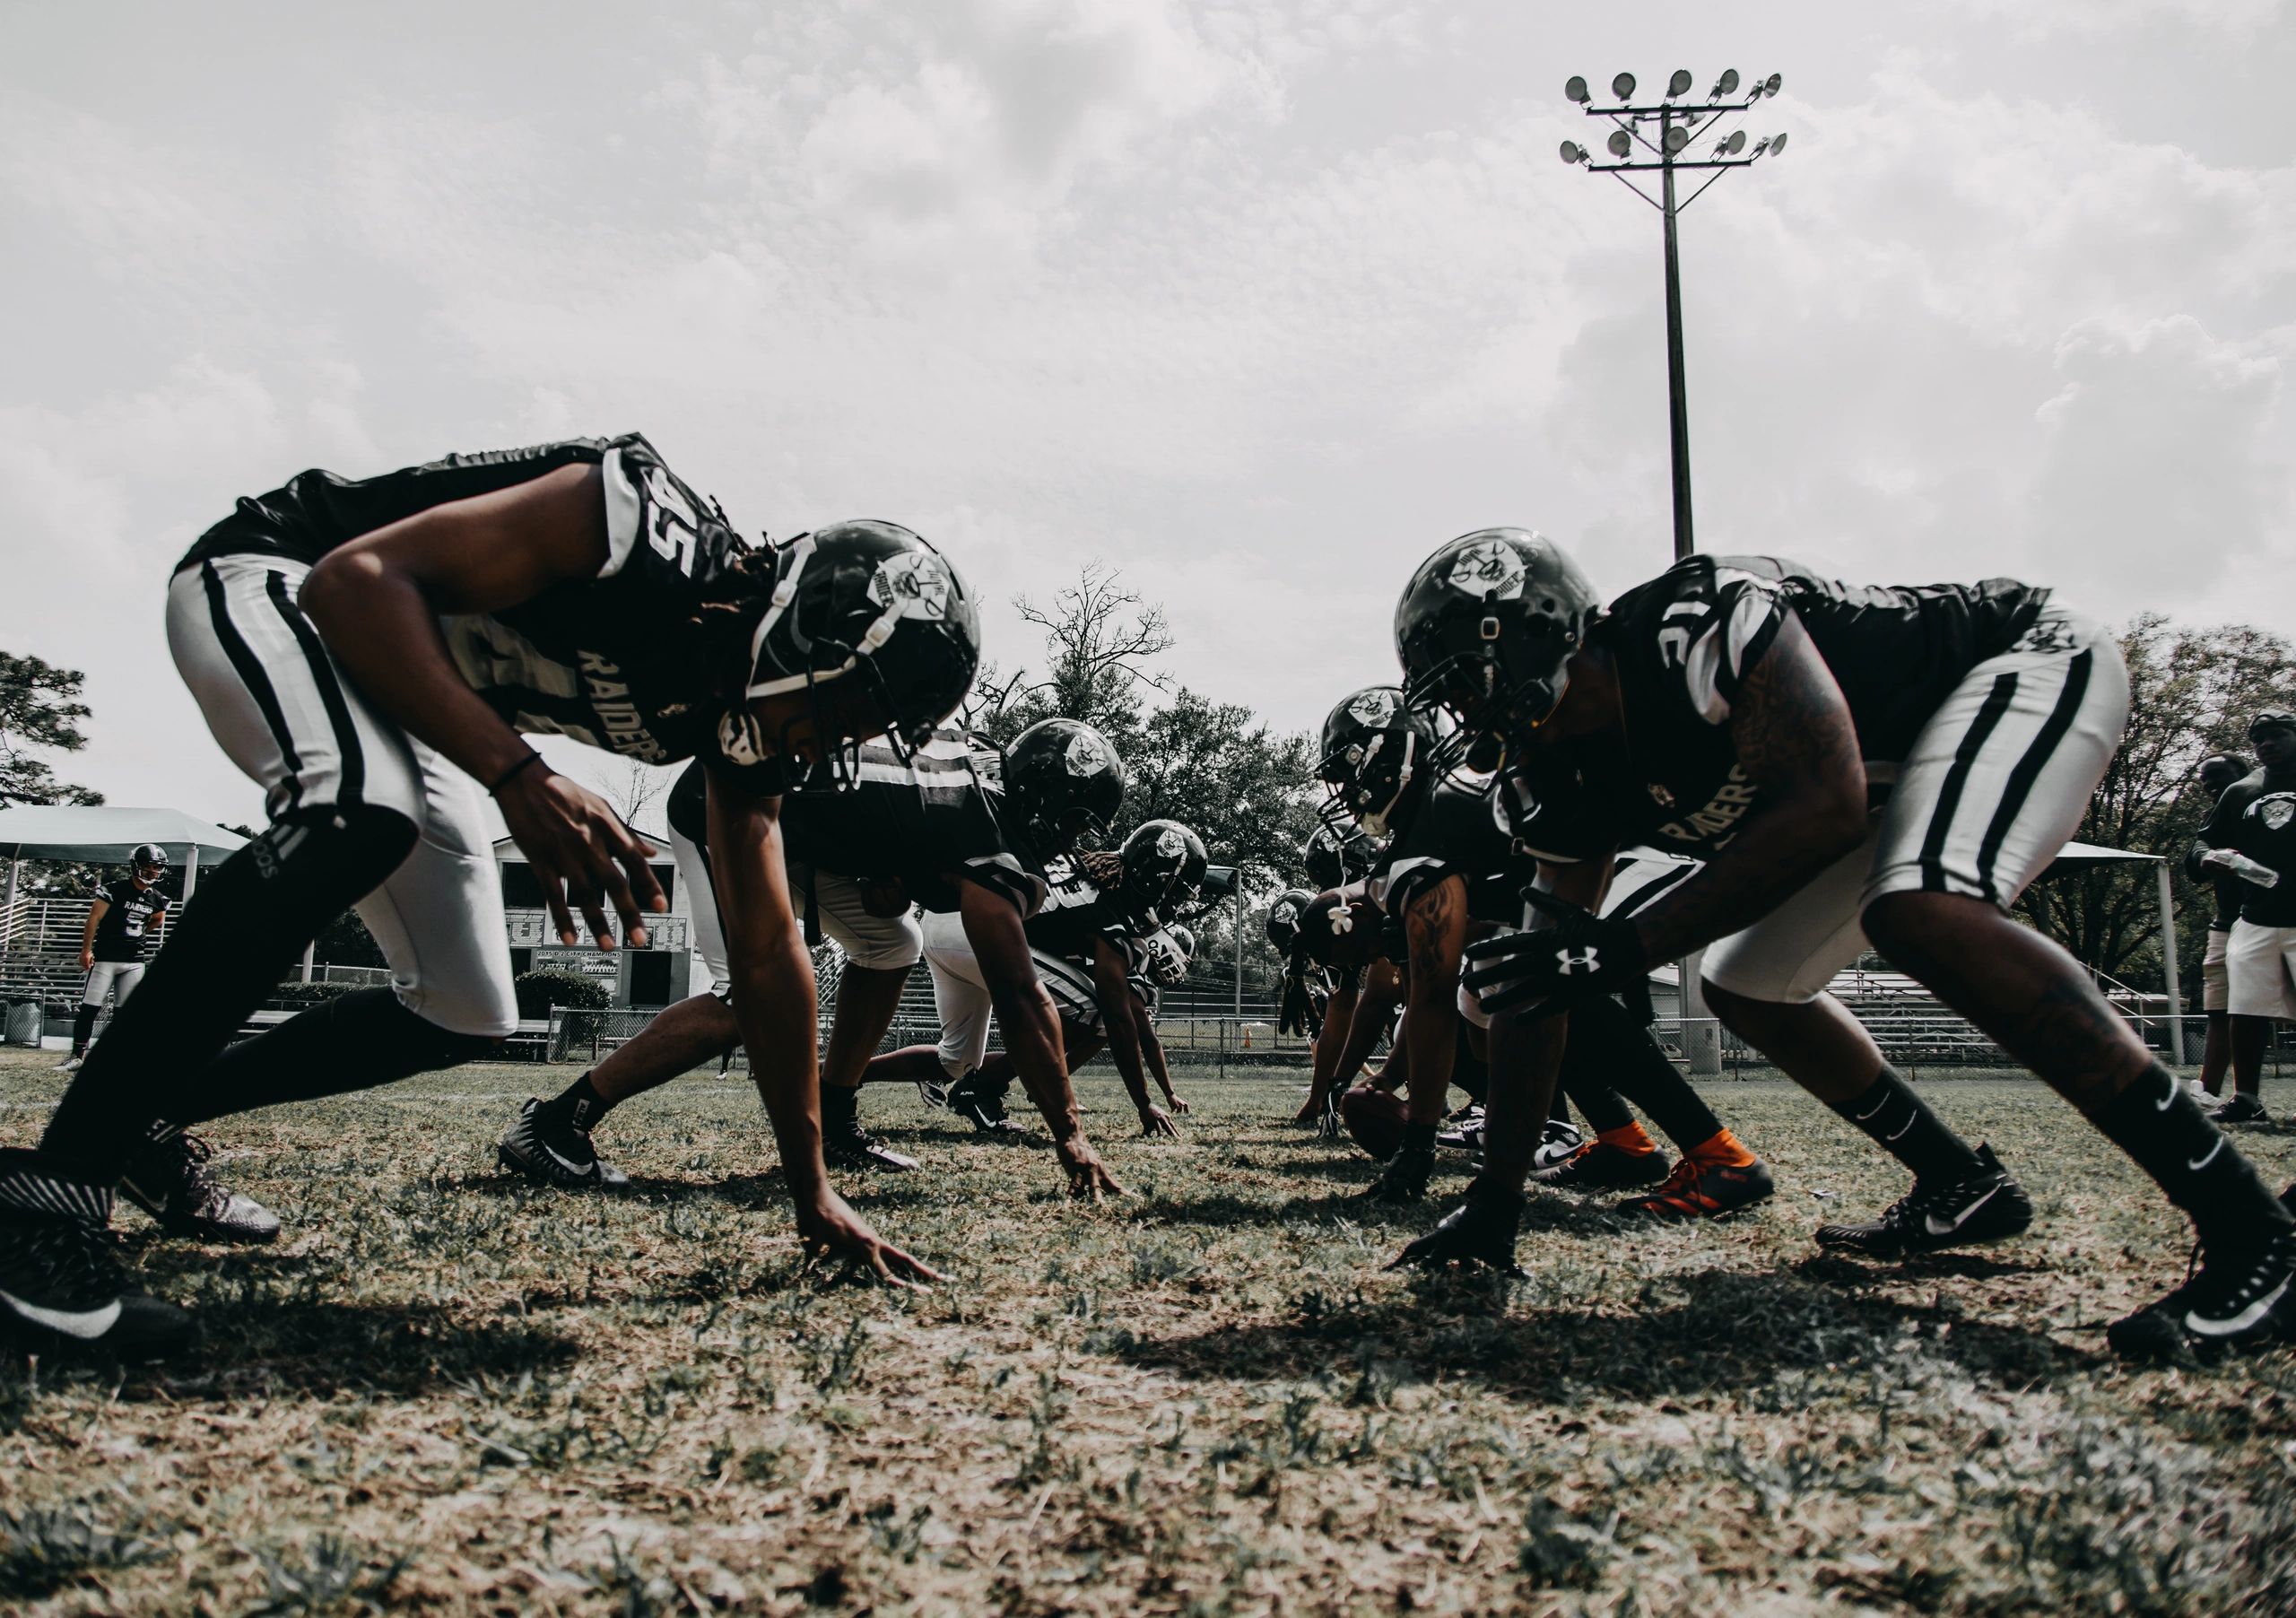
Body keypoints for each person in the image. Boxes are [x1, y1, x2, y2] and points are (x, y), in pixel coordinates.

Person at [0, 433, 978, 1353]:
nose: (836, 741)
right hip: (281, 581)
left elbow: (769, 959)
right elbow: (355, 582)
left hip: (394, 698)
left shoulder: (741, 720)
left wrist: (810, 1189)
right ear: (821, 624)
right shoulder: (636, 525)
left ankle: (145, 1120)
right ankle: (48, 1199)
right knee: (358, 809)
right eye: (853, 705)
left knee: (464, 1007)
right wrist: (522, 777)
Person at [1390, 530, 2293, 1361]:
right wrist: (1495, 1202)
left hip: (2017, 662)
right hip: (1872, 779)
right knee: (1749, 983)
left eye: (1464, 680)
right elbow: (1538, 985)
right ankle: (1956, 1181)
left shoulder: (1687, 626)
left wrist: (1622, 948)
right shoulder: (1553, 776)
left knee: (1924, 906)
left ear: (1525, 632)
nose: (1467, 714)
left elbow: (1818, 805)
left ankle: (2253, 1234)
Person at [498, 722, 1132, 1195]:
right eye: (1077, 823)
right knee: (750, 1001)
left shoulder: (983, 758)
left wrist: (890, 869)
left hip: (802, 821)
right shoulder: (988, 828)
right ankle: (556, 1123)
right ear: (1048, 801)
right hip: (729, 801)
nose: (1074, 842)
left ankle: (835, 1118)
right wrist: (1070, 1135)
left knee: (891, 944)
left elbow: (890, 808)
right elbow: (1021, 997)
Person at [1314, 685, 1770, 1220]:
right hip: (1625, 856)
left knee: (1530, 973)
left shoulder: (1424, 839)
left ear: (1389, 755)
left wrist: (1417, 1146)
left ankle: (1719, 1157)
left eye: (1348, 771)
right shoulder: (1436, 815)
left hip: (1642, 854)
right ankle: (1624, 1142)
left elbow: (1429, 1003)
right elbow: (1451, 984)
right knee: (1496, 983)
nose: (1345, 791)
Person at [2199, 713, 2296, 1127]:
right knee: (2246, 1009)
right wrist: (2207, 857)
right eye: (2258, 739)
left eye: (2277, 735)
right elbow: (2206, 840)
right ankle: (2246, 1099)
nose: (2267, 744)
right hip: (2257, 916)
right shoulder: (2242, 791)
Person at [57, 843, 172, 1074]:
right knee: (90, 1007)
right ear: (136, 866)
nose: (153, 871)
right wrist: (86, 950)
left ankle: (116, 1057)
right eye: (150, 866)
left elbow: (157, 920)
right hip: (106, 958)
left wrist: (138, 936)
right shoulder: (114, 889)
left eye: (158, 867)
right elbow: (94, 919)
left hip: (134, 960)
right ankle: (78, 1056)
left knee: (125, 1012)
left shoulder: (158, 898)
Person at [2185, 752, 2253, 1106]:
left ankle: (2245, 1094)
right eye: (2205, 780)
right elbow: (2195, 858)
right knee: (2220, 1007)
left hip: (2276, 920)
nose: (2211, 785)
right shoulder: (2215, 817)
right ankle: (2208, 1092)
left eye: (2219, 775)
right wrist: (2204, 855)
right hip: (2227, 923)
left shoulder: (2268, 806)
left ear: (2244, 773)